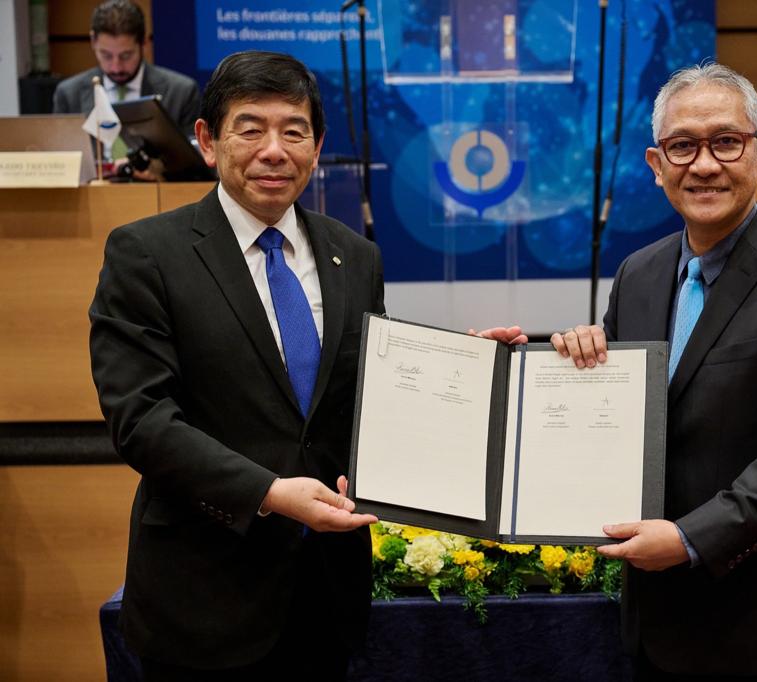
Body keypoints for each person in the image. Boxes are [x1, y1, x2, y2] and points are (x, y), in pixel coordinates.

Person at [89, 48, 527, 680]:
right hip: (201, 602)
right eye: (251, 128)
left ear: (317, 148)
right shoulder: (145, 254)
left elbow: (366, 400)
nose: (275, 150)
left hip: (326, 599)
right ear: (208, 141)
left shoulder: (356, 255)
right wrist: (269, 493)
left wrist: (458, 371)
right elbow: (141, 420)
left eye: (294, 131)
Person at [552, 63, 757, 680]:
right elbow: (619, 422)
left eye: (725, 141)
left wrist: (691, 539)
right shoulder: (637, 273)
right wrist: (571, 361)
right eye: (682, 146)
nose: (703, 165)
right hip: (656, 623)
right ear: (655, 164)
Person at [53, 0, 200, 140]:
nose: (116, 67)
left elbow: (192, 162)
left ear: (144, 44)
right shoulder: (68, 95)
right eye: (106, 55)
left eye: (126, 56)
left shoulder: (180, 93)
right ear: (93, 42)